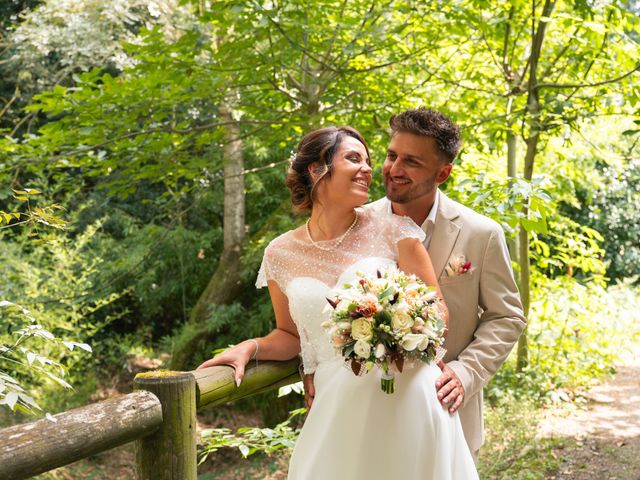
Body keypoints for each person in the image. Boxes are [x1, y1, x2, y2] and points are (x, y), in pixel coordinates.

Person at [198, 126, 478, 479]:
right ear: (317, 170)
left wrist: (390, 321)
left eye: (368, 161)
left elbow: (438, 313)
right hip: (337, 408)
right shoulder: (280, 254)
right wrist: (250, 348)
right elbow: (290, 334)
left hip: (410, 396)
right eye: (353, 158)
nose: (368, 169)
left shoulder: (395, 230)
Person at [361, 107, 526, 460]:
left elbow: (507, 316)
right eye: (392, 155)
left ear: (443, 172)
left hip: (447, 408)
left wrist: (466, 373)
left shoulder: (482, 233)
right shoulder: (357, 225)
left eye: (412, 162)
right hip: (366, 409)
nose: (394, 169)